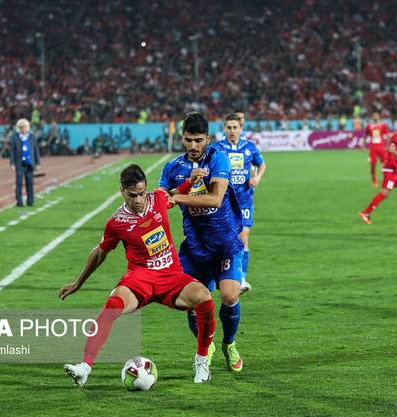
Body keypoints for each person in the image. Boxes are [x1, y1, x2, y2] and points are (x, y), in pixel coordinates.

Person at [60, 164, 216, 385]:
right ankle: (84, 367)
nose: (139, 199)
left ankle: (202, 362)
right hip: (140, 278)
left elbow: (175, 193)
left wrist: (191, 181)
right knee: (112, 306)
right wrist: (78, 283)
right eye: (133, 195)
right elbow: (99, 254)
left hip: (171, 276)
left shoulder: (158, 199)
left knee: (204, 297)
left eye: (142, 193)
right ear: (122, 191)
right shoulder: (116, 223)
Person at [159, 112, 245, 373]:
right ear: (182, 139)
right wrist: (186, 184)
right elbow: (162, 202)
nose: (194, 146)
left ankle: (229, 343)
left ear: (208, 138)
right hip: (196, 248)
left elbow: (216, 199)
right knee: (189, 302)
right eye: (188, 140)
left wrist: (180, 196)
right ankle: (205, 347)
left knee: (229, 296)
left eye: (198, 140)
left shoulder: (218, 158)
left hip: (225, 243)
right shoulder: (172, 168)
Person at [215, 113, 266, 294]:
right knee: (222, 238)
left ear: (240, 129)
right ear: (224, 129)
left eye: (235, 127)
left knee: (243, 236)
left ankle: (242, 278)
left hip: (244, 200)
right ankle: (218, 274)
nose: (232, 131)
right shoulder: (217, 148)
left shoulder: (249, 147)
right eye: (229, 127)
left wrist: (257, 178)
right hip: (223, 201)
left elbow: (262, 164)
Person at [9, 118, 41, 207]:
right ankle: (19, 201)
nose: (23, 129)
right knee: (19, 183)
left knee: (30, 182)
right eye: (21, 127)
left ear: (28, 127)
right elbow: (12, 151)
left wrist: (38, 163)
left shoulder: (32, 137)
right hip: (19, 163)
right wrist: (12, 163)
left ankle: (30, 201)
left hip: (30, 163)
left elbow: (36, 150)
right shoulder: (15, 137)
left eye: (24, 127)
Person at [365, 112, 389, 187]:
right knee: (373, 164)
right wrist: (363, 144)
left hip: (381, 147)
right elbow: (365, 135)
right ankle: (374, 181)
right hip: (373, 148)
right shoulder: (369, 126)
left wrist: (387, 145)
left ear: (379, 117)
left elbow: (387, 135)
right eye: (374, 116)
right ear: (372, 118)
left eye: (377, 116)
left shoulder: (383, 125)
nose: (375, 117)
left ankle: (386, 179)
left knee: (384, 164)